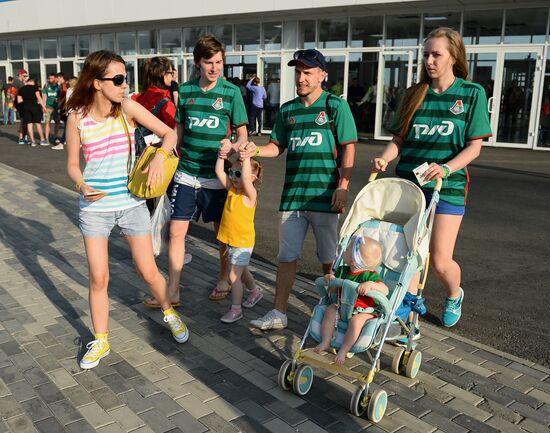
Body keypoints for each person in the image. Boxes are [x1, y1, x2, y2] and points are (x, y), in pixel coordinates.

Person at [65, 50, 189, 369]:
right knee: (98, 277)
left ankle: (169, 312)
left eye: (126, 78)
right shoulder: (77, 117)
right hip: (94, 210)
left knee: (147, 270)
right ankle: (101, 339)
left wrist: (161, 157)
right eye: (118, 79)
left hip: (131, 203)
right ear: (96, 83)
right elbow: (73, 166)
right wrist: (81, 185)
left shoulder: (128, 108)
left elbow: (169, 133)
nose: (124, 85)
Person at [372, 27, 492, 328]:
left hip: (446, 187)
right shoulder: (414, 94)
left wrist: (448, 167)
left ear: (453, 57)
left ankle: (454, 293)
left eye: (436, 54)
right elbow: (398, 140)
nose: (429, 61)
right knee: (407, 256)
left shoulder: (471, 94)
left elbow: (474, 146)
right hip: (410, 186)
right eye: (426, 54)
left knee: (438, 261)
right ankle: (405, 319)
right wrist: (385, 157)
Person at [250, 49, 357, 330]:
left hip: (324, 197)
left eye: (308, 72)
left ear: (322, 74)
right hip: (292, 199)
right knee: (286, 257)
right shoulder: (287, 110)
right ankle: (279, 313)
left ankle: (332, 312)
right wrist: (256, 150)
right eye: (298, 72)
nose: (301, 78)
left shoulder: (335, 106)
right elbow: (277, 147)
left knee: (328, 260)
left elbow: (348, 148)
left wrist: (343, 187)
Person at [169, 35, 250, 306]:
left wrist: (235, 146)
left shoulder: (231, 92)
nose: (214, 68)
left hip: (217, 177)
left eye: (219, 62)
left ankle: (224, 278)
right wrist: (162, 153)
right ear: (197, 63)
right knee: (176, 232)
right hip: (186, 172)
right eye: (208, 62)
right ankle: (173, 289)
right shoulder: (186, 91)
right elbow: (178, 133)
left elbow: (242, 135)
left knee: (222, 236)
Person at [314, 235, 389, 365]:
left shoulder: (369, 276)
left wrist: (371, 285)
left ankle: (344, 349)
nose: (345, 250)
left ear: (355, 260)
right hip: (342, 306)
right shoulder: (343, 270)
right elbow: (333, 290)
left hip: (364, 310)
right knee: (330, 310)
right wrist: (330, 278)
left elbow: (385, 290)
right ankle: (326, 341)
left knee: (356, 321)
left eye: (348, 249)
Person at [215, 140, 263, 323]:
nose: (234, 177)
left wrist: (246, 157)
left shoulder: (250, 195)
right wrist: (222, 156)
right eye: (232, 173)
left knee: (233, 275)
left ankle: (236, 309)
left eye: (238, 173)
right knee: (241, 271)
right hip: (232, 241)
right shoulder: (232, 190)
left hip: (243, 243)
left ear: (252, 178)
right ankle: (255, 292)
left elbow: (244, 179)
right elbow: (219, 171)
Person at [17, 76, 48, 147]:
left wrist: (25, 103)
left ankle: (33, 141)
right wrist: (44, 107)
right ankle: (42, 140)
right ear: (32, 82)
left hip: (25, 107)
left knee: (29, 124)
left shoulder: (21, 89)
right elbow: (39, 98)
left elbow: (19, 101)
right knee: (37, 123)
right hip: (35, 107)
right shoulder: (35, 88)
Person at [52, 76, 77, 150]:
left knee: (67, 127)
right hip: (77, 111)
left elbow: (68, 101)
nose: (68, 82)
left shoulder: (70, 89)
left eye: (69, 81)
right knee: (75, 128)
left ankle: (61, 143)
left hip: (70, 111)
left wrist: (65, 110)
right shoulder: (79, 90)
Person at [42, 73, 60, 144]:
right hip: (48, 107)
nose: (50, 80)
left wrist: (58, 100)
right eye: (49, 78)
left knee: (57, 123)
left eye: (52, 78)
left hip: (56, 108)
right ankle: (46, 138)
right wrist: (43, 107)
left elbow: (61, 97)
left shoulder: (58, 87)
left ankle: (55, 136)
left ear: (55, 78)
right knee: (47, 123)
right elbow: (43, 97)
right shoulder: (46, 86)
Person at [13, 69, 28, 144]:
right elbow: (12, 94)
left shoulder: (23, 82)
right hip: (19, 104)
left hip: (24, 104)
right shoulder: (16, 82)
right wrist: (14, 106)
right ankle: (20, 138)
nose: (25, 77)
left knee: (25, 121)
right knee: (23, 120)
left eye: (26, 76)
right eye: (24, 76)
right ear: (20, 75)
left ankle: (24, 137)